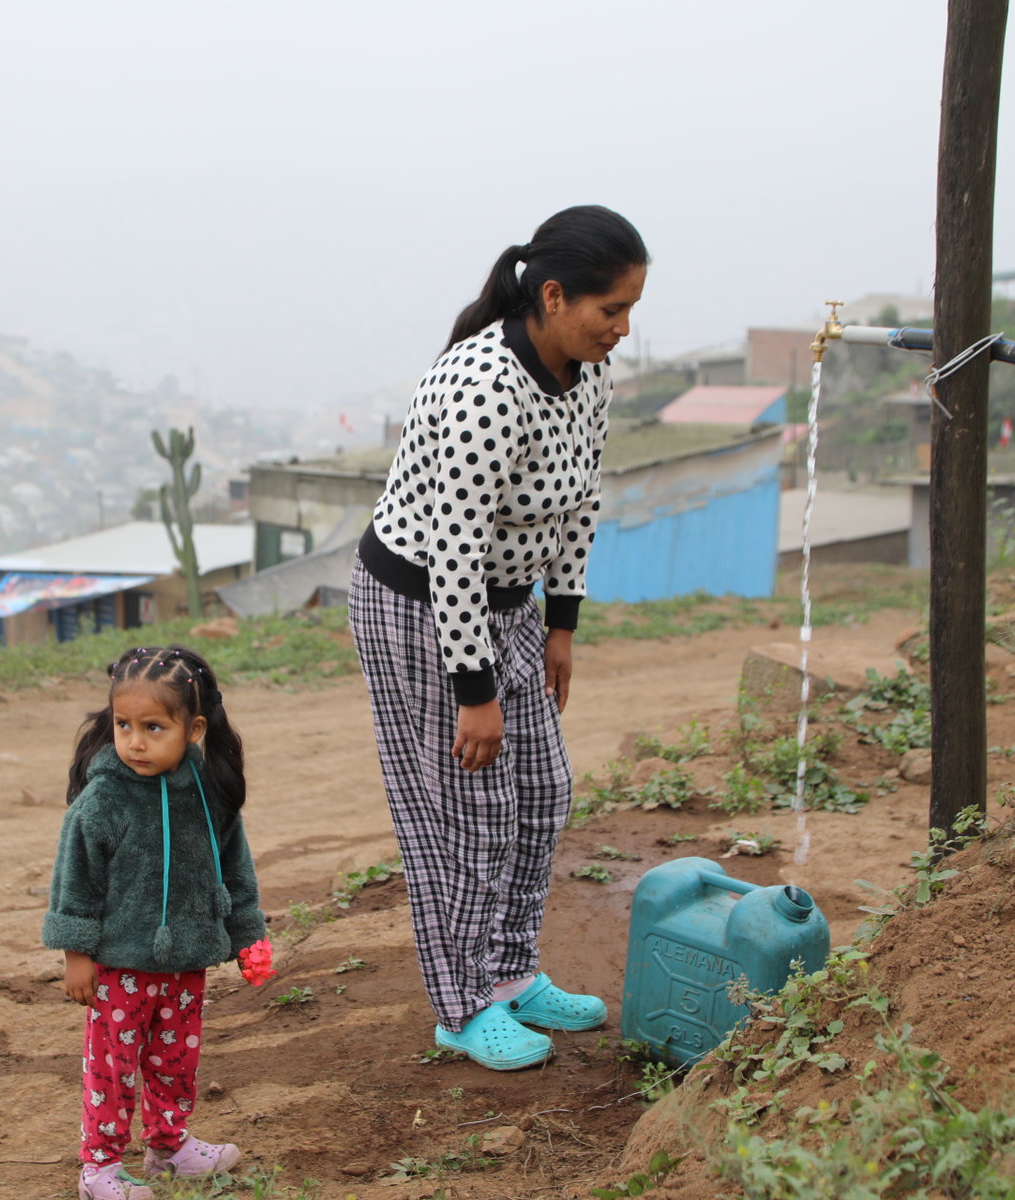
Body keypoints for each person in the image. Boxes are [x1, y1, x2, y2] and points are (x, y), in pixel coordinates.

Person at [348, 204, 648, 1070]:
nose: (622, 329)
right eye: (609, 310)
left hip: (509, 604)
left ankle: (511, 974)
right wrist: (474, 693)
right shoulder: (485, 384)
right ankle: (461, 1002)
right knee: (467, 815)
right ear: (553, 297)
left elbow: (580, 500)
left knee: (545, 790)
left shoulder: (587, 376)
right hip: (422, 607)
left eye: (632, 310)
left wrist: (561, 624)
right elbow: (454, 548)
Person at [43, 645, 266, 1200]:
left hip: (186, 959)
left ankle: (169, 1148)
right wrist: (76, 952)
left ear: (192, 729)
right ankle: (100, 1167)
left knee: (176, 1059)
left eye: (153, 727)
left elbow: (234, 867)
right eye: (124, 725)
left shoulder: (210, 793)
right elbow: (75, 879)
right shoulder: (103, 800)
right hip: (119, 964)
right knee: (112, 1069)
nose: (135, 741)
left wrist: (247, 935)